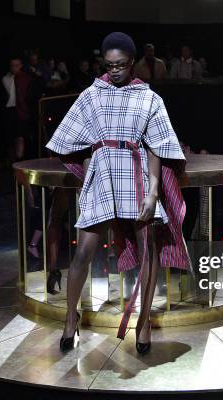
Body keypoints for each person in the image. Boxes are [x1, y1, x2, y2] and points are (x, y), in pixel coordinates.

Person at [46, 32, 190, 353]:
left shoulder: (149, 98)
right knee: (83, 251)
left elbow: (157, 146)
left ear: (132, 63)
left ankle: (143, 323)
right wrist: (89, 173)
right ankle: (71, 317)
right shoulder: (90, 95)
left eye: (121, 64)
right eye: (109, 65)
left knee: (147, 250)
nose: (114, 70)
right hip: (103, 175)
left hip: (136, 175)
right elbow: (74, 140)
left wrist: (153, 192)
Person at [2, 57, 33, 161]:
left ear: (21, 66)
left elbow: (27, 96)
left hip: (21, 111)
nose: (14, 67)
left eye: (16, 65)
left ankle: (20, 162)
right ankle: (13, 163)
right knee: (11, 138)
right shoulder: (6, 78)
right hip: (9, 111)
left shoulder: (26, 78)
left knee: (20, 137)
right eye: (12, 65)